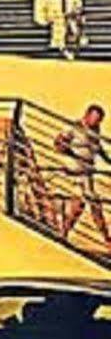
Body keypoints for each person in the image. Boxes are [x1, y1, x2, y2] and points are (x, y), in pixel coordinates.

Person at [56, 103, 105, 243]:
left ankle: (64, 232)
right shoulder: (74, 127)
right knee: (87, 203)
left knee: (85, 204)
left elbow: (97, 147)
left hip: (87, 172)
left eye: (99, 120)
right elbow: (58, 143)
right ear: (87, 115)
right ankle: (106, 238)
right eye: (95, 119)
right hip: (74, 171)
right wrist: (72, 154)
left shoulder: (95, 130)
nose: (96, 122)